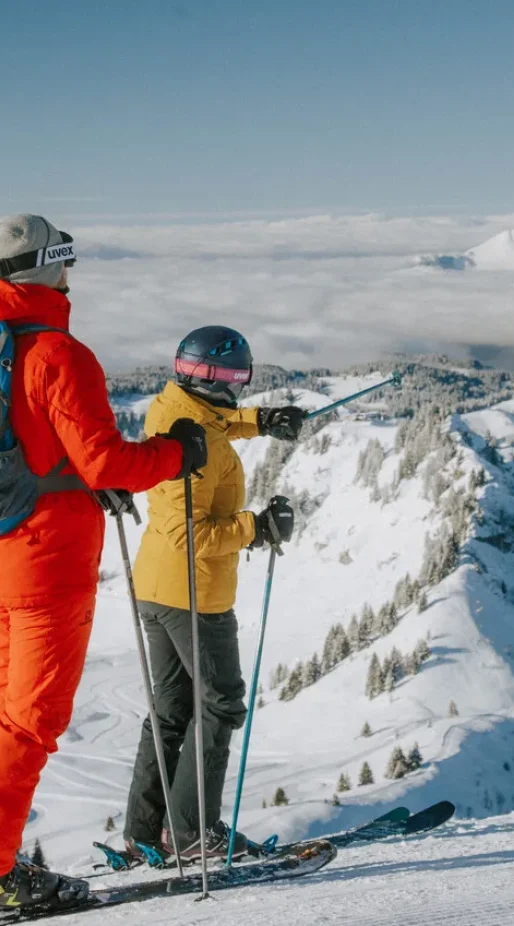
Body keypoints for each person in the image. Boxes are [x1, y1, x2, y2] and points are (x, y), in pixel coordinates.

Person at [0, 214, 207, 916]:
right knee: (32, 720)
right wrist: (178, 453)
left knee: (0, 713)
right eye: (66, 258)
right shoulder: (57, 352)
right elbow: (106, 460)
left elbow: (36, 450)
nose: (71, 272)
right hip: (46, 560)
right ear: (47, 265)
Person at [123, 325, 304, 860]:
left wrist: (261, 421)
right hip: (193, 596)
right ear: (200, 375)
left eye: (238, 377)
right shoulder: (191, 437)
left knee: (173, 708)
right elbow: (190, 532)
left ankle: (144, 831)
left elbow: (212, 423)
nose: (234, 387)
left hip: (158, 588)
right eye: (227, 376)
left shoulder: (175, 410)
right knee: (220, 706)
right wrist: (257, 528)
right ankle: (190, 833)